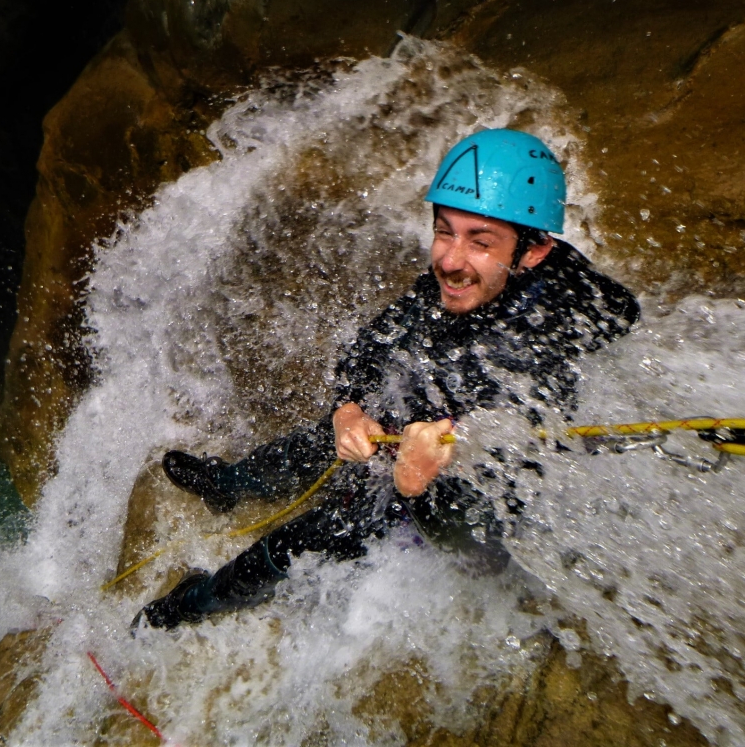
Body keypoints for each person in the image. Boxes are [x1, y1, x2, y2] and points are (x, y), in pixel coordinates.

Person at [133, 128, 640, 630]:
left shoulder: (554, 331)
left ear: (533, 252)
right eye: (445, 231)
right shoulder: (472, 277)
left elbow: (483, 548)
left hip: (436, 500)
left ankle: (195, 604)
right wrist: (349, 408)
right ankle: (229, 485)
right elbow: (378, 340)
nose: (450, 259)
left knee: (292, 545)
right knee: (322, 440)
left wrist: (421, 484)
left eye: (479, 241)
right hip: (415, 433)